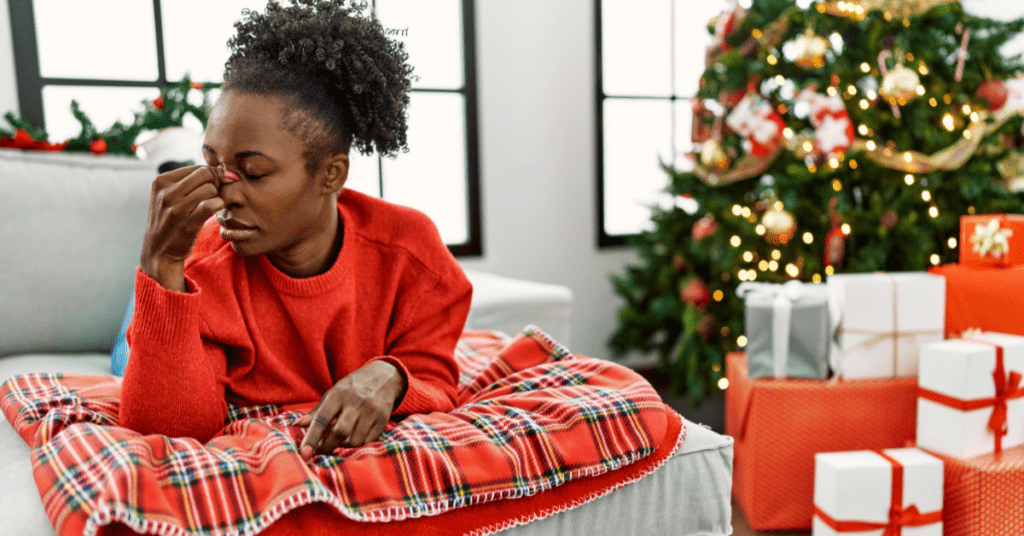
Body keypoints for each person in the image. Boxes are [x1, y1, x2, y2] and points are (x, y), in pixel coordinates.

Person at [120, 0, 472, 458]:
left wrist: (391, 375)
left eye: (254, 172)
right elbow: (167, 431)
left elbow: (435, 376)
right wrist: (161, 265)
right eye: (213, 165)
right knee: (124, 358)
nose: (224, 194)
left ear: (331, 175)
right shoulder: (207, 262)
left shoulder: (411, 251)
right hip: (167, 303)